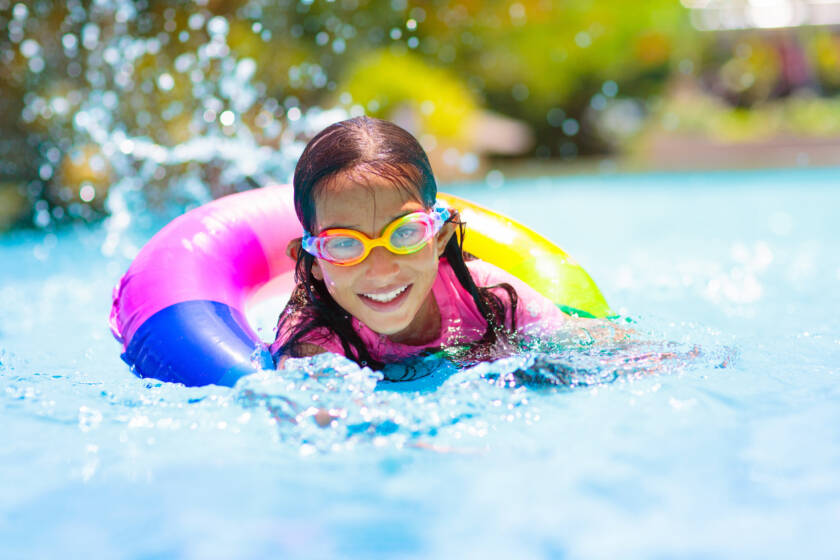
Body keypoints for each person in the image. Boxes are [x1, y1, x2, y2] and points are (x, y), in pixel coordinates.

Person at [271, 116, 618, 376]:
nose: (380, 269)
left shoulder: (487, 298)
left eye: (404, 233)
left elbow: (597, 345)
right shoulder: (315, 342)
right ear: (314, 259)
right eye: (345, 244)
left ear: (439, 236)